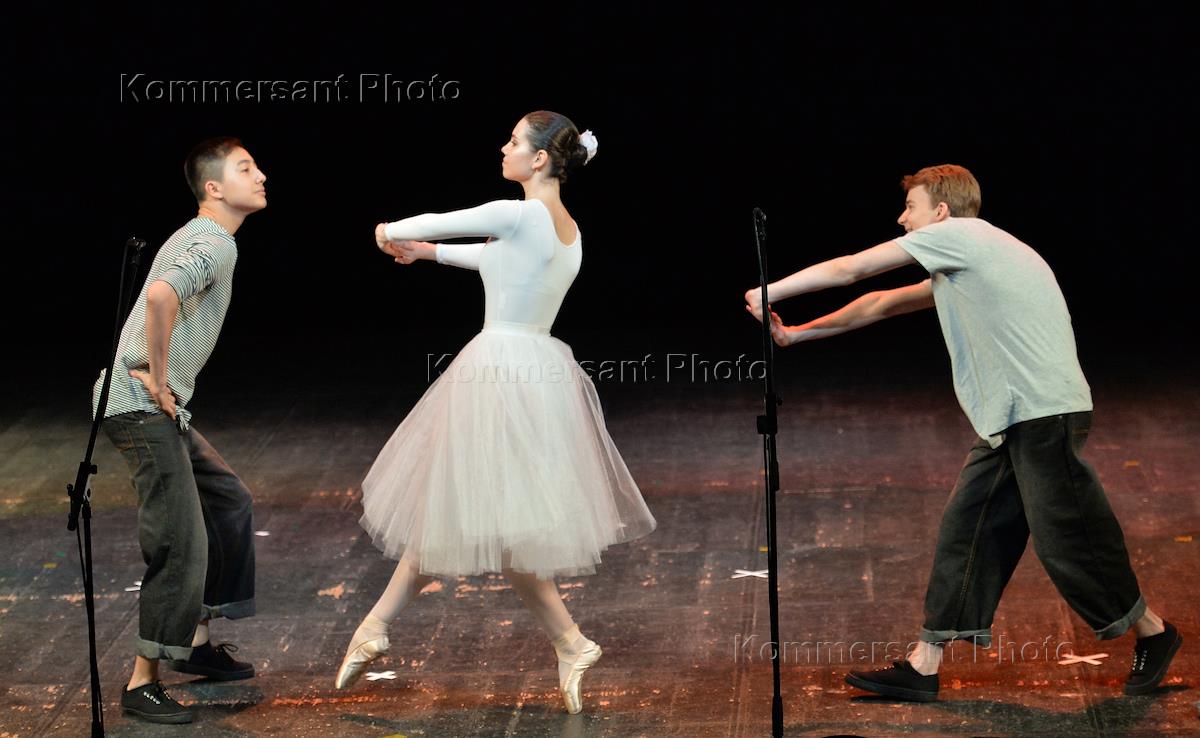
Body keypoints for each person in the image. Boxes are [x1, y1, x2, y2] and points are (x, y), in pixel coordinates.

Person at [745, 164, 1181, 701]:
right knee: (968, 530)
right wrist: (797, 334)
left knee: (1068, 539)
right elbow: (880, 303)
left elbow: (851, 269)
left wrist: (768, 290)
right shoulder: (972, 257)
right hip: (1009, 419)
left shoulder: (961, 237)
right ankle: (923, 664)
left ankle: (1153, 632)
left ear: (942, 211)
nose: (902, 218)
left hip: (1041, 413)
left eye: (911, 207)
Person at [335, 111, 657, 715]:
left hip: (499, 372)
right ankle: (381, 627)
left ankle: (383, 628)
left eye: (513, 141)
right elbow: (498, 264)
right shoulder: (568, 230)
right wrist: (428, 254)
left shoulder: (520, 214)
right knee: (459, 511)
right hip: (536, 371)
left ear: (539, 158)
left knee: (464, 512)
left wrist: (387, 231)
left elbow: (447, 219)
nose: (503, 148)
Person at [94, 137, 266, 724]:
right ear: (214, 188)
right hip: (137, 403)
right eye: (246, 168)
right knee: (181, 539)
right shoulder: (212, 241)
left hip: (155, 406)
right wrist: (161, 377)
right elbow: (161, 295)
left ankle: (193, 642)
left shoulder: (207, 237)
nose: (261, 176)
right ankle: (142, 681)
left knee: (227, 501)